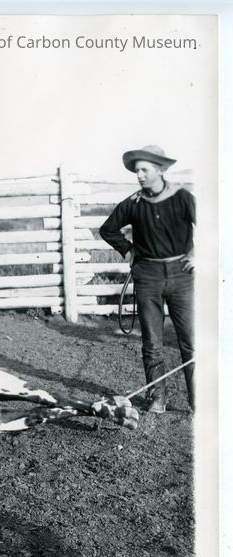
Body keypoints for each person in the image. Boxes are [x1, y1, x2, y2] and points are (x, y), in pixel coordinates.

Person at [99, 145, 195, 413]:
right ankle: (158, 398)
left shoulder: (182, 198)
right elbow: (108, 229)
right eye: (137, 170)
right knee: (152, 342)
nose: (139, 175)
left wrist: (196, 255)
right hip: (147, 277)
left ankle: (197, 401)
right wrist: (128, 250)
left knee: (190, 341)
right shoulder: (134, 203)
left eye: (145, 170)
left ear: (160, 170)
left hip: (181, 275)